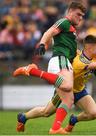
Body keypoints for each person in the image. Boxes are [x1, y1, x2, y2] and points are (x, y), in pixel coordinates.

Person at [13, 35, 96, 133]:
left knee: (93, 113)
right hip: (66, 89)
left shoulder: (95, 56)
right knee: (46, 112)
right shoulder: (80, 61)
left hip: (79, 90)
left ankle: (73, 120)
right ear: (89, 47)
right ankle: (23, 117)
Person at [14, 2, 86, 134]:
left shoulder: (71, 29)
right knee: (68, 86)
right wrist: (42, 43)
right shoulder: (64, 22)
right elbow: (50, 31)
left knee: (49, 110)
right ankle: (31, 71)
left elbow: (73, 50)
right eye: (78, 14)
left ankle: (23, 117)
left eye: (82, 16)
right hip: (61, 61)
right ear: (70, 12)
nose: (80, 17)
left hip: (64, 64)